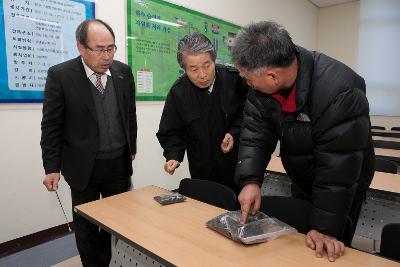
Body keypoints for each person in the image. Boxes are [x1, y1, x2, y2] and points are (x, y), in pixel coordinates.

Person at [231, 21, 374, 262]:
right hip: (302, 172)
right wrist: (250, 180)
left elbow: (339, 168)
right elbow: (255, 133)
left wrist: (326, 227)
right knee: (298, 243)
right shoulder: (261, 89)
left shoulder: (340, 91)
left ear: (273, 76)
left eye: (248, 78)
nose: (248, 83)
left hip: (343, 184)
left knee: (326, 247)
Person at [41, 19, 137, 267]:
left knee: (116, 222)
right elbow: (51, 125)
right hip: (84, 167)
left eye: (111, 48)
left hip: (118, 164)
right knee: (86, 227)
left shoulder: (123, 72)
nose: (106, 56)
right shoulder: (60, 76)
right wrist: (51, 166)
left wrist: (132, 147)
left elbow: (129, 113)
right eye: (99, 49)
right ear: (80, 47)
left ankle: (109, 261)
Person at [156, 32, 249, 194]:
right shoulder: (179, 92)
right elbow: (171, 131)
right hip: (202, 168)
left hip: (237, 165)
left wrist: (234, 133)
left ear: (214, 60)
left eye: (207, 65)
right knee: (205, 210)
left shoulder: (235, 80)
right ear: (184, 69)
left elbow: (250, 114)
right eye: (193, 69)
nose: (203, 75)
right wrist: (173, 155)